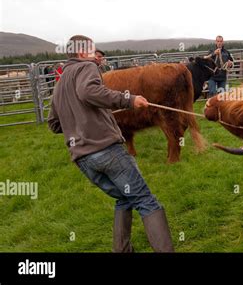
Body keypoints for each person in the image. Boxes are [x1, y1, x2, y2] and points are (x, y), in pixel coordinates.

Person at [48, 35, 174, 253]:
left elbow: (53, 123)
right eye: (92, 51)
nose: (96, 56)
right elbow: (88, 91)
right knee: (145, 200)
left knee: (124, 199)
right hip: (106, 150)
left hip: (83, 159)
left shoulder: (60, 84)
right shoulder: (86, 66)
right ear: (81, 53)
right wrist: (129, 100)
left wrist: (77, 120)